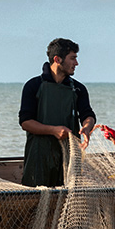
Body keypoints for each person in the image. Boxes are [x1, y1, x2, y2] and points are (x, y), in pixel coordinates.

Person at [18, 38, 96, 187]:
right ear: (57, 59)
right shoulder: (33, 86)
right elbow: (25, 122)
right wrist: (53, 130)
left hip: (70, 156)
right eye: (72, 58)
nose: (76, 63)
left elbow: (88, 115)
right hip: (38, 156)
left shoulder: (78, 89)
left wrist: (86, 127)